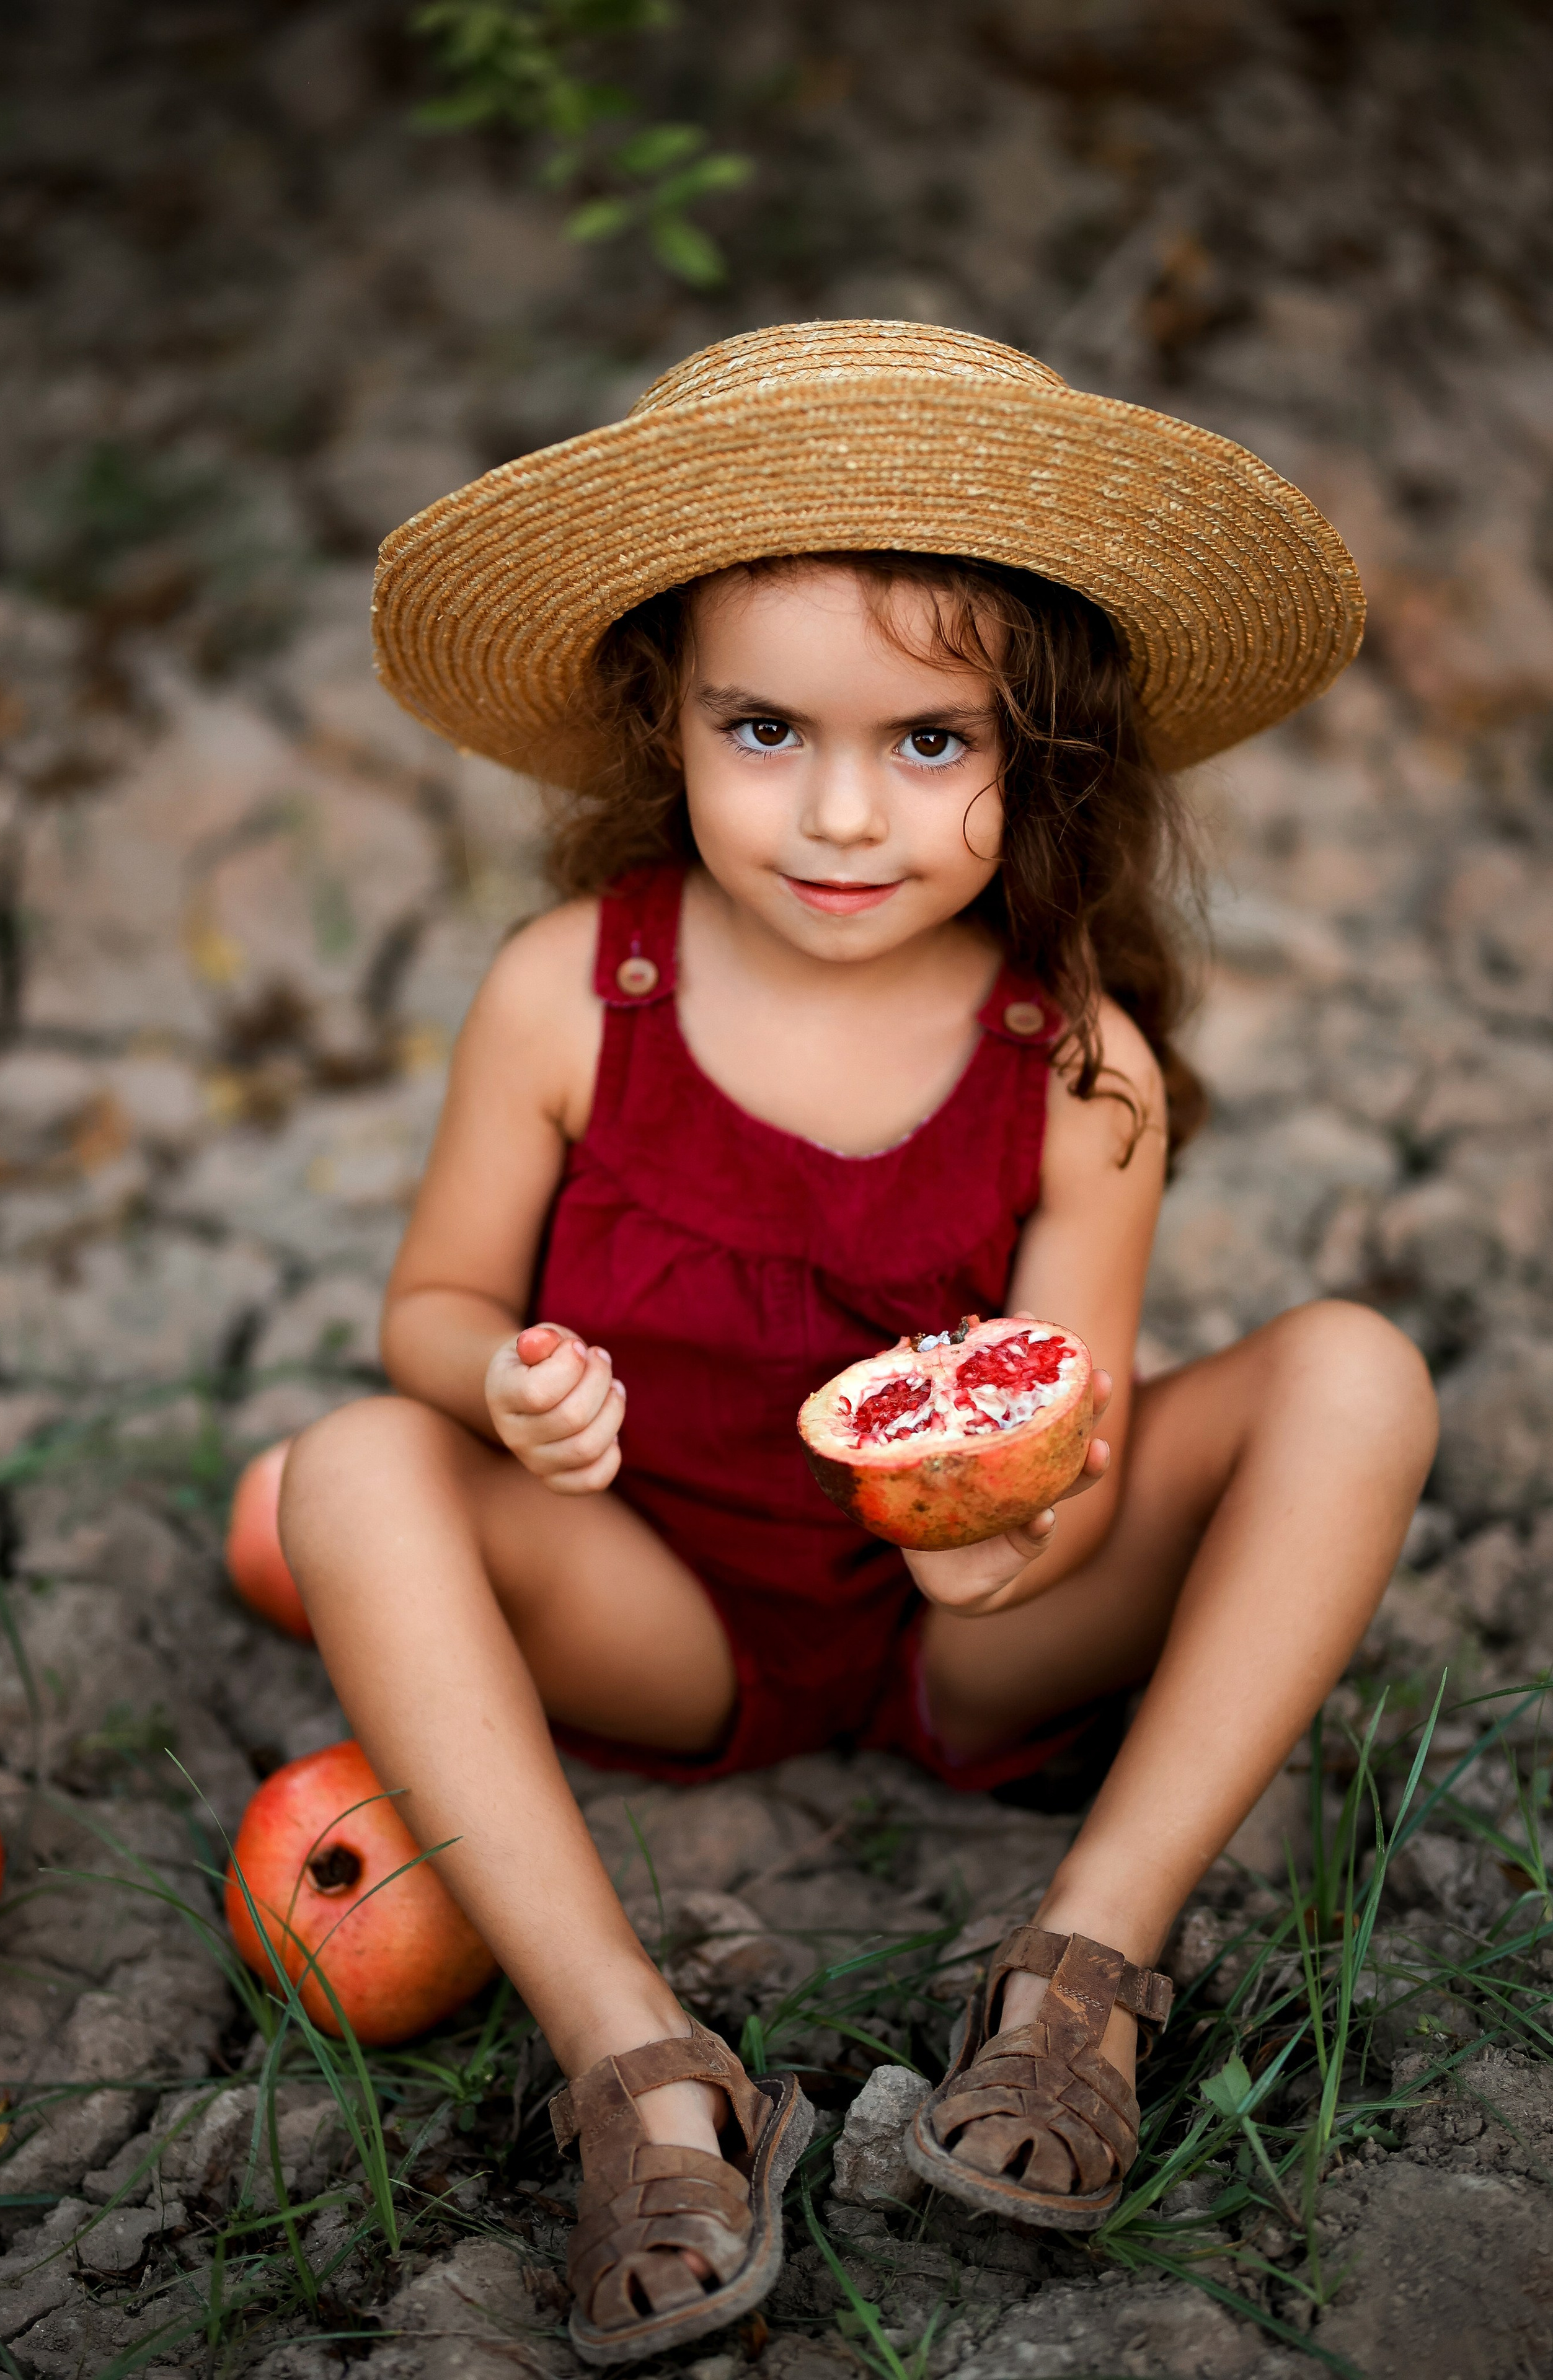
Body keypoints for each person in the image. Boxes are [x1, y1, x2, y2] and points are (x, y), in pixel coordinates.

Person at [279, 322, 1437, 2360]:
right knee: (352, 1469)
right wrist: (499, 1386)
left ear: (1044, 757)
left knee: (1360, 1371)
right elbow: (429, 1309)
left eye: (928, 744)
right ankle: (641, 2067)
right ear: (668, 718)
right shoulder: (574, 990)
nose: (837, 816)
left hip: (968, 1629)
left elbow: (1065, 1421)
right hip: (659, 1597)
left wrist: (1017, 1548)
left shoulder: (1083, 1067)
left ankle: (1082, 1967)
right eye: (763, 732)